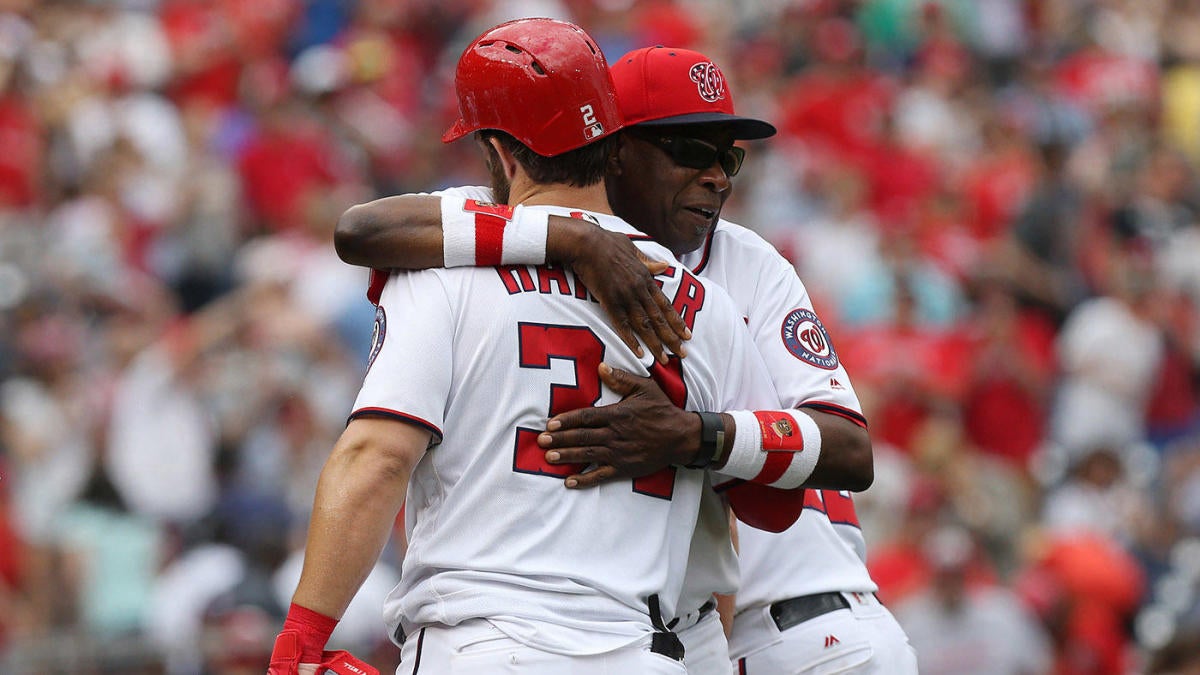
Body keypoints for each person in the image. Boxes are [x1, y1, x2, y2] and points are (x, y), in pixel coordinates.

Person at [336, 45, 917, 674]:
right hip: (676, 635)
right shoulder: (522, 218)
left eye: (730, 158)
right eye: (692, 151)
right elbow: (361, 231)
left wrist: (695, 435)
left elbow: (852, 451)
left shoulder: (746, 265)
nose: (718, 176)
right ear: (614, 149)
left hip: (801, 631)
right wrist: (576, 238)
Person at [269, 19, 783, 675]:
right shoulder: (703, 301)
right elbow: (764, 506)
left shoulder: (441, 267)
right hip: (641, 652)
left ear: (500, 151)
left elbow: (377, 455)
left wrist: (305, 633)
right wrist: (692, 433)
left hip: (483, 644)